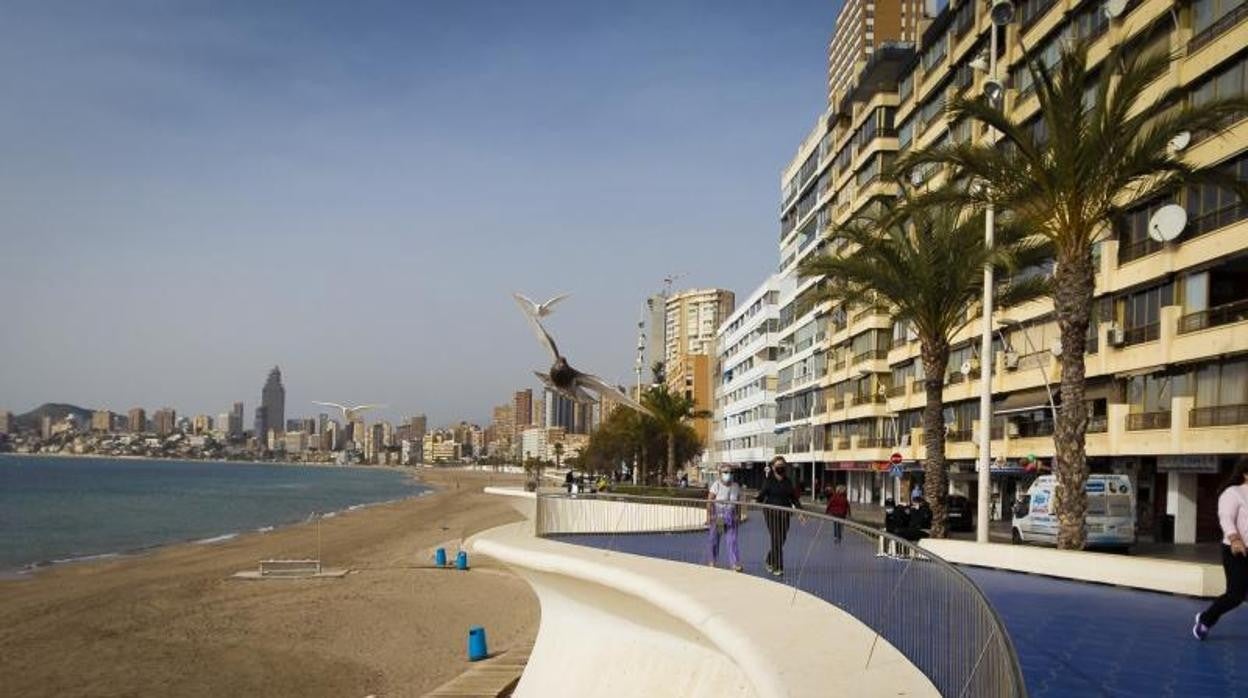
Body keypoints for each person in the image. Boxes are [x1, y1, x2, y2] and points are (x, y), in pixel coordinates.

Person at [1195, 457, 1248, 640]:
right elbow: (1226, 518)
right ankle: (1205, 620)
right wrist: (1235, 539)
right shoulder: (1233, 493)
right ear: (1245, 474)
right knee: (1235, 595)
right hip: (1236, 551)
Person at [756, 456, 803, 576]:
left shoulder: (788, 481)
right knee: (776, 538)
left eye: (783, 466)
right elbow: (761, 496)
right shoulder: (769, 481)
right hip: (771, 514)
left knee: (781, 539)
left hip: (785, 514)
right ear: (773, 467)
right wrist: (755, 501)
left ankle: (769, 559)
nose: (781, 468)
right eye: (778, 466)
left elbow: (793, 498)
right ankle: (778, 567)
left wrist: (800, 512)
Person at [706, 467, 742, 571]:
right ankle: (712, 560)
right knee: (714, 539)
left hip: (731, 515)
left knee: (732, 540)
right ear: (720, 474)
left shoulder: (736, 486)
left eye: (731, 472)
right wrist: (709, 515)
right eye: (725, 472)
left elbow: (738, 502)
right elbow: (710, 500)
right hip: (718, 515)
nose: (728, 474)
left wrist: (738, 514)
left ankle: (734, 563)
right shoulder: (716, 485)